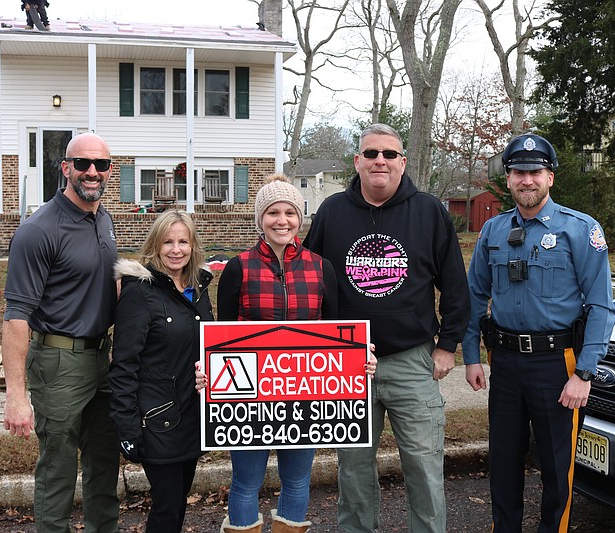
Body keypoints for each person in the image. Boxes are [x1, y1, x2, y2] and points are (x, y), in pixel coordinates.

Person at [303, 123, 470, 533]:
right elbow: (309, 280)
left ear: (403, 162)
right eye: (372, 153)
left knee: (425, 469)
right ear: (357, 162)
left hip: (412, 361)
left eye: (389, 154)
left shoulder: (430, 211)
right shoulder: (332, 212)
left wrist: (447, 346)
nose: (381, 160)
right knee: (353, 473)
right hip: (347, 364)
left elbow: (455, 285)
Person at [197, 173, 373, 533]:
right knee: (246, 482)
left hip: (307, 395)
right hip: (246, 399)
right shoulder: (238, 267)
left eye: (290, 213)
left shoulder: (321, 267)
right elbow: (224, 335)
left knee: (296, 481)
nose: (282, 221)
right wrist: (209, 370)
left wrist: (359, 359)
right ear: (260, 219)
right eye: (273, 213)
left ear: (300, 218)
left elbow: (335, 331)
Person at [461, 133, 615, 532]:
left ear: (550, 178)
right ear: (508, 179)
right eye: (517, 172)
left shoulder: (580, 230)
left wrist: (584, 373)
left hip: (558, 366)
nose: (526, 180)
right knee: (503, 465)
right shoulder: (493, 231)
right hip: (507, 365)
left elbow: (600, 306)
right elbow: (474, 295)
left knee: (556, 468)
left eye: (534, 172)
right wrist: (473, 356)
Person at [2, 132, 120, 533]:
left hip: (101, 358)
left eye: (100, 164)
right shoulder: (39, 230)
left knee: (104, 464)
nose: (92, 172)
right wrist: (16, 397)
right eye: (82, 164)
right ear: (65, 168)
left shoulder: (102, 218)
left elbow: (105, 285)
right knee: (58, 469)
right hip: (58, 362)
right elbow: (16, 315)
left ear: (109, 170)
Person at [109, 210, 215, 533]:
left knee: (179, 501)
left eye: (183, 241)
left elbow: (207, 347)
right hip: (157, 419)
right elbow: (123, 365)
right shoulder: (140, 291)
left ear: (193, 245)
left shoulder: (198, 288)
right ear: (156, 245)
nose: (176, 249)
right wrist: (127, 428)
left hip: (192, 416)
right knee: (167, 508)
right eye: (168, 241)